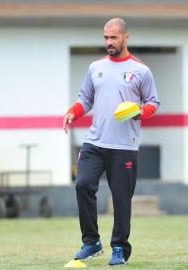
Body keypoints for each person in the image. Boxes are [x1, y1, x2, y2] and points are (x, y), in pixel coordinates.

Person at [63, 18, 160, 266]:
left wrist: (139, 112)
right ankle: (91, 242)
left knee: (121, 199)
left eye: (113, 37)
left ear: (126, 37)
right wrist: (74, 111)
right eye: (106, 37)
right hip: (94, 143)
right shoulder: (95, 67)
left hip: (124, 146)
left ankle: (119, 247)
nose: (109, 42)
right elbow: (85, 98)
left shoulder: (141, 71)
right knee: (83, 184)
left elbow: (153, 103)